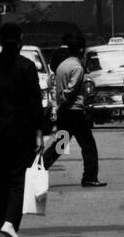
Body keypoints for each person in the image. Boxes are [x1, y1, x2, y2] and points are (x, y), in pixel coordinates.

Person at [0, 21, 45, 237]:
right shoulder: (27, 67)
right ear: (19, 41)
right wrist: (39, 133)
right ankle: (10, 224)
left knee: (0, 179)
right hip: (21, 132)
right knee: (19, 179)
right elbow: (35, 103)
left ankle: (3, 226)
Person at [42, 34, 105, 187]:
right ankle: (89, 177)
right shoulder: (77, 67)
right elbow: (71, 89)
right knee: (88, 145)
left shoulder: (62, 65)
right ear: (81, 49)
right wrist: (64, 99)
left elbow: (58, 89)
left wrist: (59, 103)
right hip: (75, 112)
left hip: (64, 113)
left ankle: (38, 169)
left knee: (60, 146)